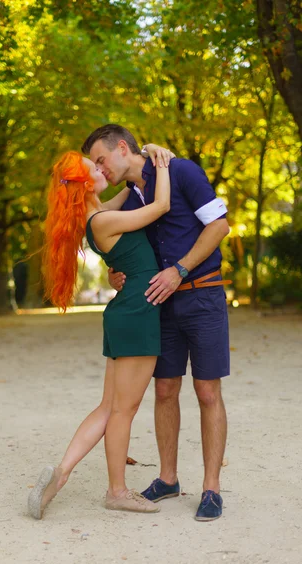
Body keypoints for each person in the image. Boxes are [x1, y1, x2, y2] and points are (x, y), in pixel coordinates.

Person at [81, 124, 231, 521]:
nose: (100, 169)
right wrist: (118, 274)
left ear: (123, 148)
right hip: (156, 304)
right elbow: (117, 244)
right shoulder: (131, 198)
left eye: (100, 160)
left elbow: (220, 225)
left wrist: (180, 269)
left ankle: (211, 488)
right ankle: (167, 479)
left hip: (201, 294)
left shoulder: (181, 171)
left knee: (207, 392)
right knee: (164, 390)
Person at [28, 146, 172, 519]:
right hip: (139, 311)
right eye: (97, 169)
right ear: (85, 184)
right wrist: (162, 162)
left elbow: (129, 193)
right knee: (124, 409)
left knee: (109, 407)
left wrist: (131, 172)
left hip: (125, 312)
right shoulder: (103, 220)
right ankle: (117, 491)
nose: (103, 171)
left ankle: (59, 476)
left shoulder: (98, 215)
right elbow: (159, 207)